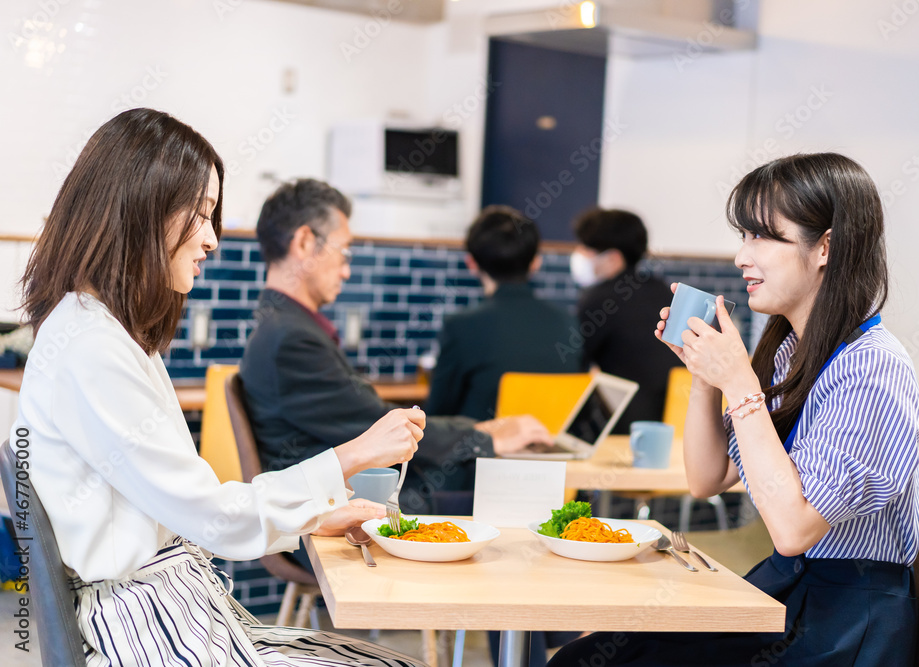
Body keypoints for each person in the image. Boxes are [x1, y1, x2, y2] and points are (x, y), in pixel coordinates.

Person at [11, 108, 429, 666]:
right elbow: (214, 517)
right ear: (143, 204)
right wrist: (352, 457)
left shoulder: (107, 331)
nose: (211, 239)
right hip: (147, 629)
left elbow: (184, 511)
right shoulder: (91, 346)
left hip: (176, 609)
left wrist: (314, 515)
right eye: (201, 215)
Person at [550, 153, 919, 666]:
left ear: (826, 248)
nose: (741, 257)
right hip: (792, 592)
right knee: (589, 653)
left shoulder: (872, 368)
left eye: (763, 237)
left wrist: (739, 382)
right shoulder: (790, 351)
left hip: (842, 620)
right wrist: (704, 378)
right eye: (743, 236)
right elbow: (706, 478)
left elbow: (794, 530)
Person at [239, 180, 553, 521]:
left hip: (350, 496)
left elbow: (367, 419)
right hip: (342, 509)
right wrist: (484, 439)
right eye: (344, 252)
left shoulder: (284, 329)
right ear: (304, 242)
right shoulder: (290, 340)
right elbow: (374, 429)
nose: (346, 270)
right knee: (518, 491)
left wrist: (482, 432)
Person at [424, 205, 581, 421]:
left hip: (485, 452)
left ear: (471, 263)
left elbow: (436, 417)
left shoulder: (461, 326)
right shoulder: (569, 322)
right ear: (536, 263)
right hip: (556, 452)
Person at [569, 209, 683, 433]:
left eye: (587, 249)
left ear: (613, 259)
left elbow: (575, 362)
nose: (578, 254)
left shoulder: (599, 298)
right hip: (674, 424)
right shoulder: (662, 290)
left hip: (624, 425)